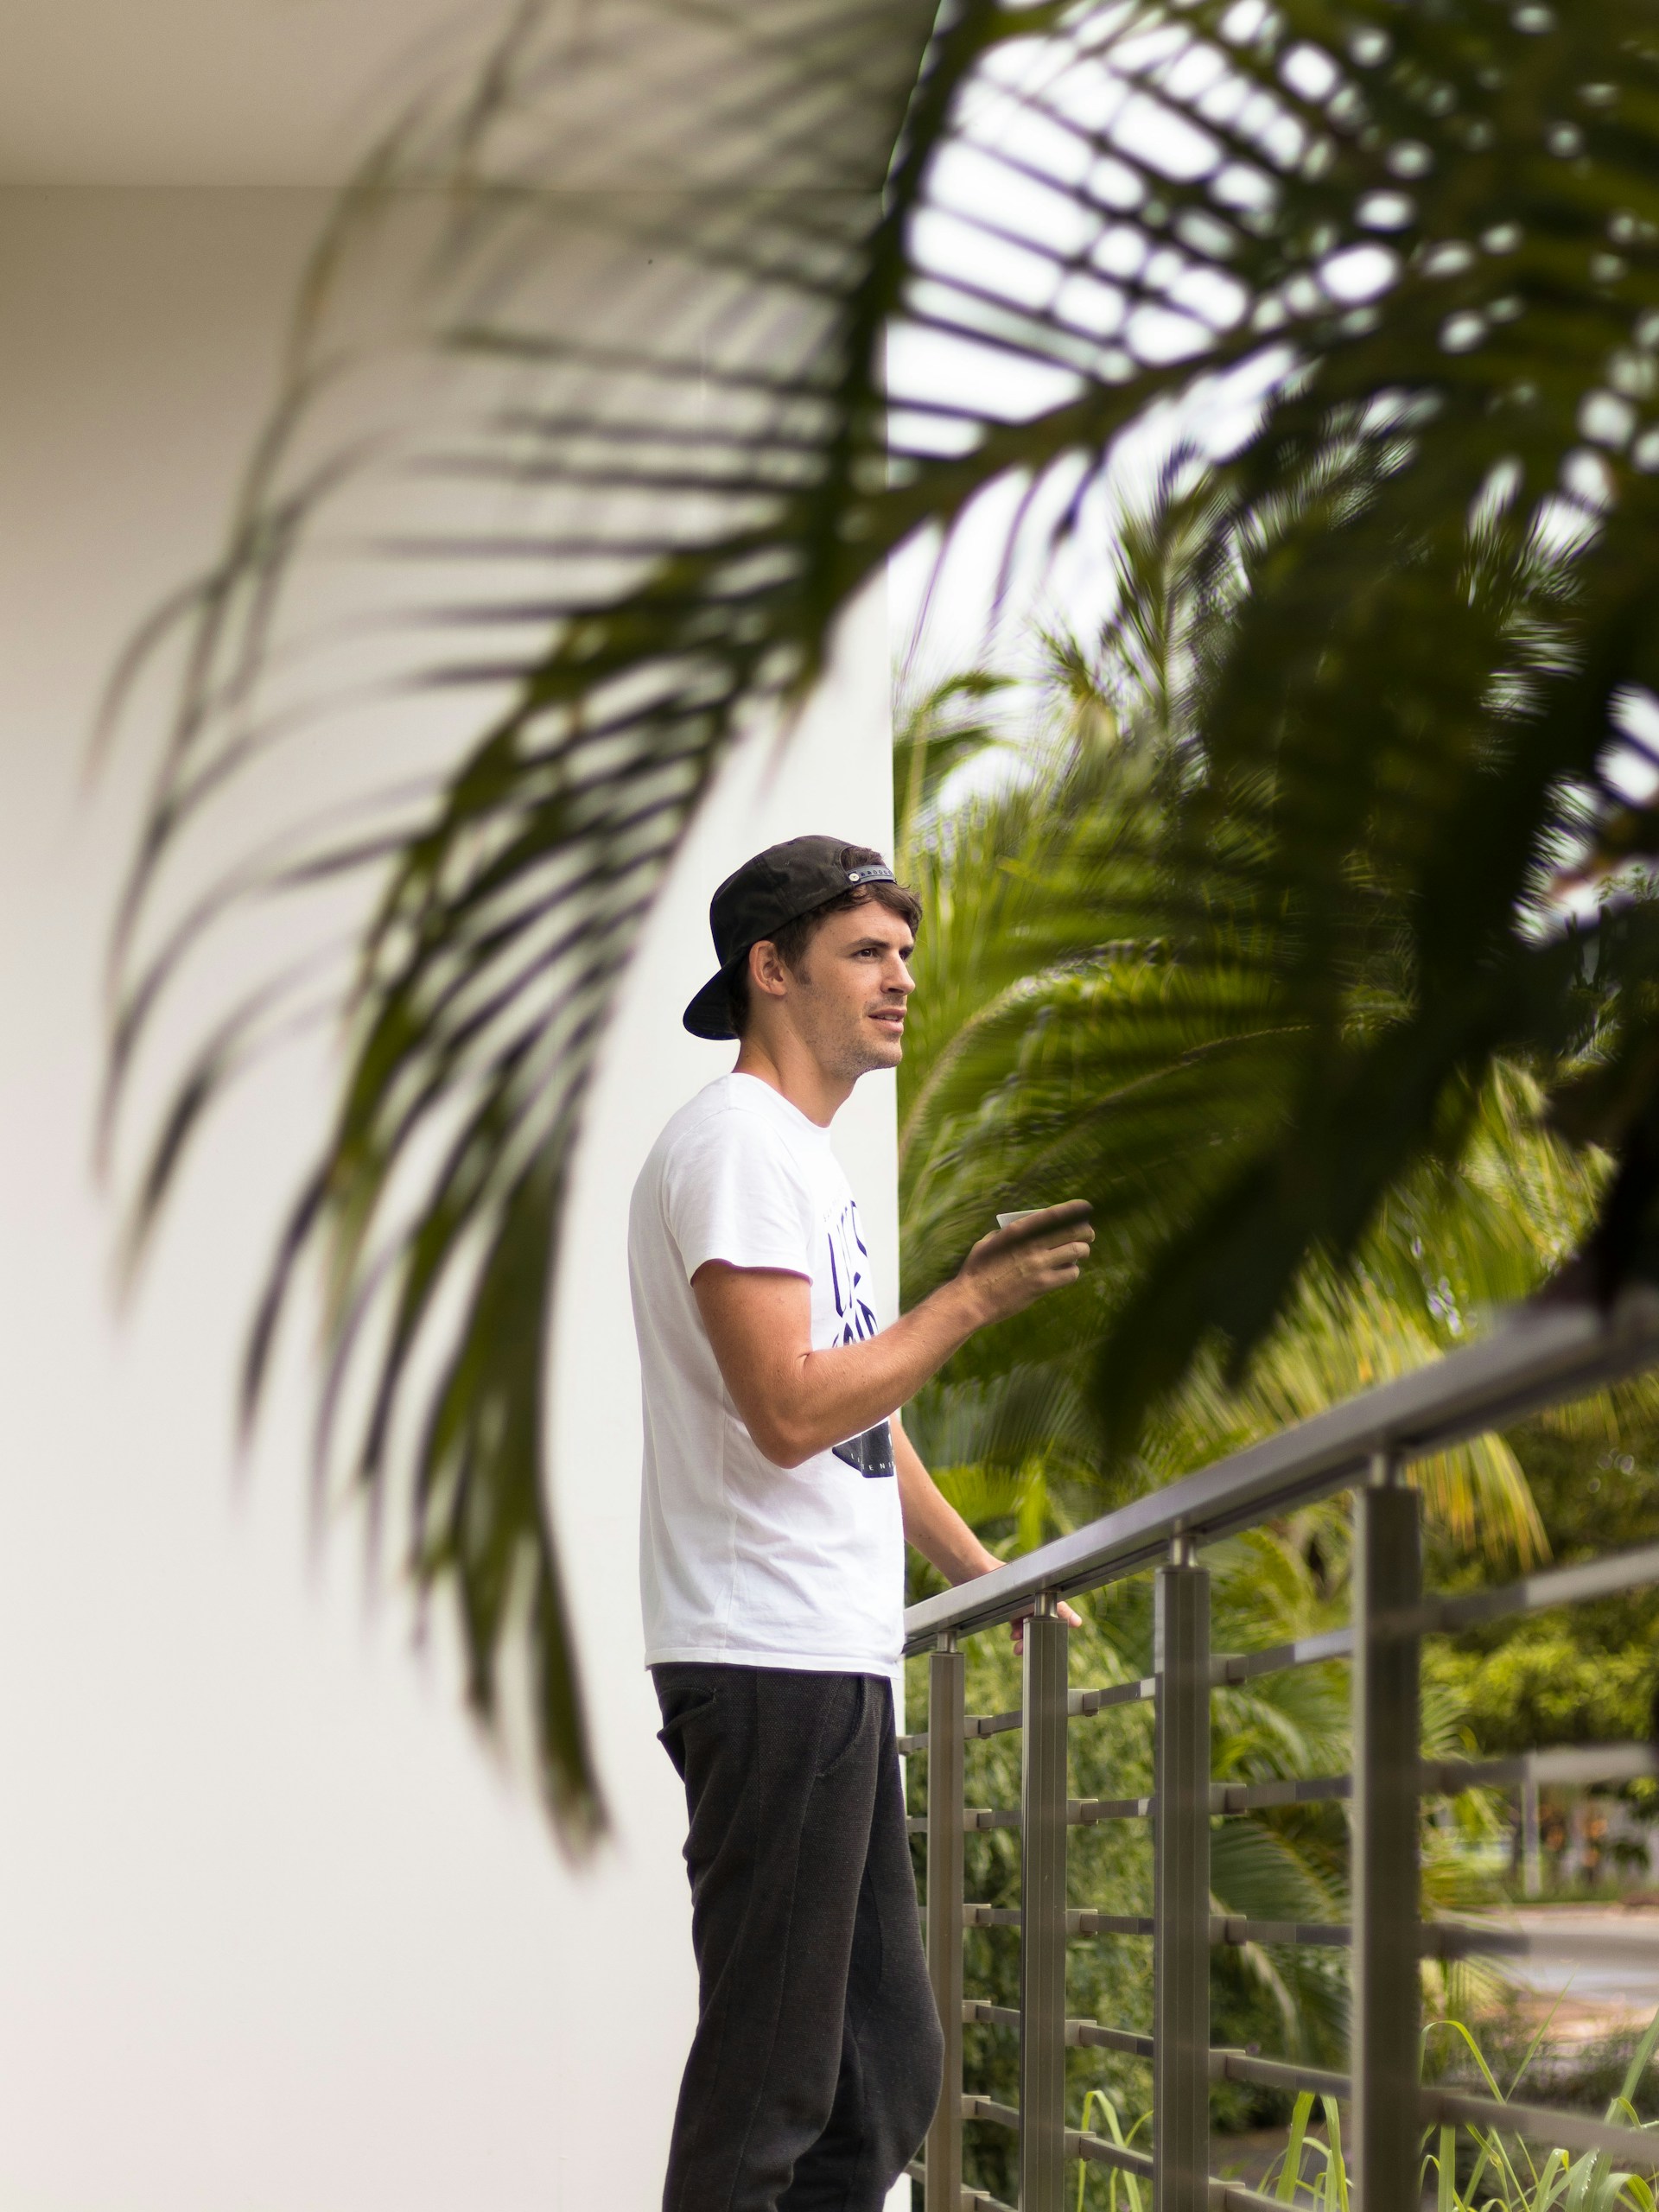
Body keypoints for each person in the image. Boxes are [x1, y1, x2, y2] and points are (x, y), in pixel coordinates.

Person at [629, 834, 1093, 2212]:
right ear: (770, 972)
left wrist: (980, 1573)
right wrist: (967, 1304)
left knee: (880, 2071)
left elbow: (858, 1413)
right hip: (764, 1651)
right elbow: (787, 1408)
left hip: (824, 1656)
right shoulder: (734, 1147)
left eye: (903, 950)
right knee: (769, 2089)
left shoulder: (802, 1163)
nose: (901, 977)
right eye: (864, 953)